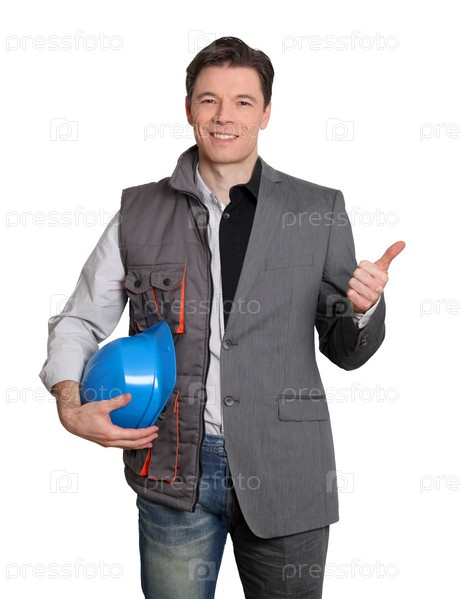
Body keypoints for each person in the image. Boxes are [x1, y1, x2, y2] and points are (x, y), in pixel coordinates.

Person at [40, 36, 405, 599]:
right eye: (209, 100)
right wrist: (69, 406)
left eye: (243, 101)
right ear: (189, 109)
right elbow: (79, 321)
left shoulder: (318, 209)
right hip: (172, 469)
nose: (224, 116)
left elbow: (345, 352)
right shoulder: (139, 212)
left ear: (266, 113)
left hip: (289, 471)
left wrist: (364, 309)